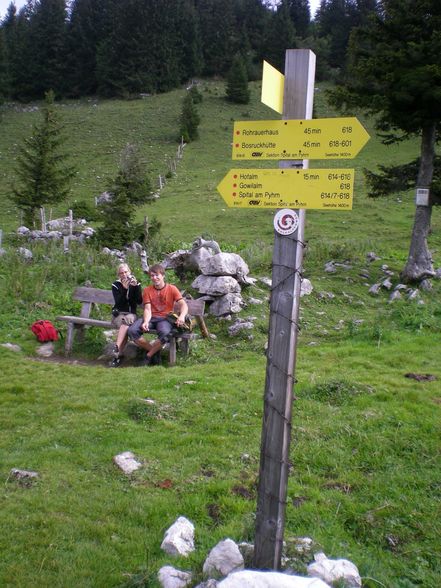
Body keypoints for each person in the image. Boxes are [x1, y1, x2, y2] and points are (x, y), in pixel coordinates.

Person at [128, 264, 188, 366]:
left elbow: (184, 305)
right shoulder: (147, 290)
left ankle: (148, 356)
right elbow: (147, 309)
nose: (154, 278)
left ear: (163, 275)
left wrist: (182, 316)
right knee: (132, 331)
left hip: (165, 318)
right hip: (151, 318)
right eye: (152, 275)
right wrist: (146, 321)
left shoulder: (172, 289)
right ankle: (154, 352)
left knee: (165, 332)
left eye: (157, 275)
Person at [109, 263, 142, 367]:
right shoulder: (116, 285)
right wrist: (124, 289)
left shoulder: (136, 283)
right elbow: (119, 303)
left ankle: (117, 350)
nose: (124, 275)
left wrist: (135, 287)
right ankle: (118, 355)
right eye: (121, 273)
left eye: (126, 272)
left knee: (126, 321)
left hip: (131, 313)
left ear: (130, 272)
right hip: (119, 313)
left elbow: (139, 301)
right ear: (118, 274)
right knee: (125, 324)